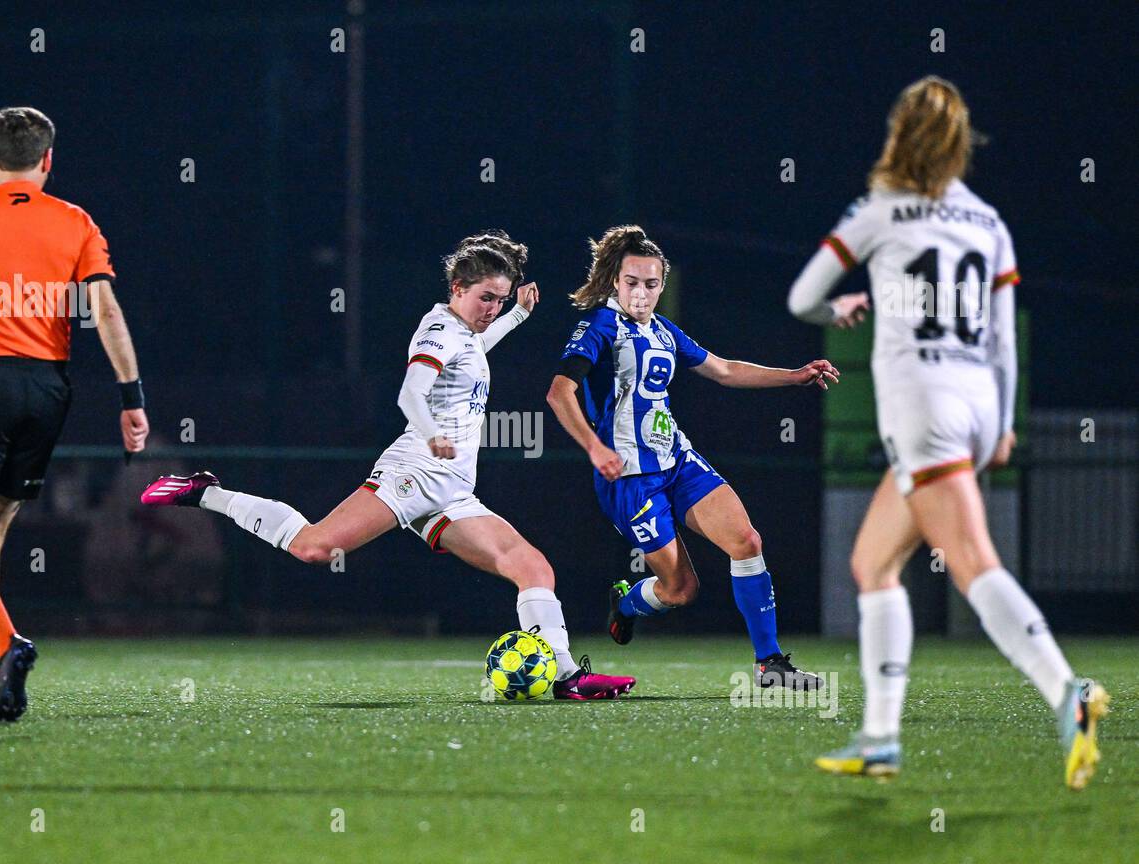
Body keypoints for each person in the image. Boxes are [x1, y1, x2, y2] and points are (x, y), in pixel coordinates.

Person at [142, 231, 635, 699]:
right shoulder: (440, 329)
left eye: (501, 299)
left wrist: (517, 318)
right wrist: (432, 432)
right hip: (415, 473)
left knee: (532, 567)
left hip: (454, 490)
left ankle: (567, 675)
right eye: (486, 297)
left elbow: (475, 348)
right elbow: (410, 393)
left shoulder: (465, 332)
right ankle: (208, 492)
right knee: (315, 548)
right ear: (457, 288)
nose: (493, 309)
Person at [787, 76, 1108, 788]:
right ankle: (880, 735)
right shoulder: (990, 223)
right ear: (962, 145)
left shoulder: (879, 210)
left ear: (899, 135)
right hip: (971, 403)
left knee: (972, 563)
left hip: (919, 403)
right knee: (873, 564)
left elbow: (802, 297)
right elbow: (1004, 342)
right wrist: (999, 426)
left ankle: (1068, 693)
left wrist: (837, 311)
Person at [0, 107, 149, 721]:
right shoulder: (76, 223)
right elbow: (108, 316)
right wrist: (132, 400)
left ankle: (8, 644)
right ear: (47, 160)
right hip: (47, 391)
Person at [547, 225, 838, 689]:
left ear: (662, 285)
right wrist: (594, 446)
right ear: (613, 282)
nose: (641, 294)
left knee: (747, 541)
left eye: (650, 284)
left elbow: (723, 370)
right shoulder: (599, 326)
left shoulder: (664, 331)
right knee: (681, 590)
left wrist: (794, 375)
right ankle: (627, 603)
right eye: (631, 283)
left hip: (677, 461)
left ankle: (771, 666)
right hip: (629, 478)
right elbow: (560, 393)